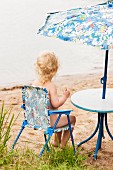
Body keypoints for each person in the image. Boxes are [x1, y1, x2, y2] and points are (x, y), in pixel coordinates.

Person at [32, 51, 76, 148]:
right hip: (49, 122)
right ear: (54, 69)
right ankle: (63, 145)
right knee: (72, 118)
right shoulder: (51, 86)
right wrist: (65, 96)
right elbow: (56, 104)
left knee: (59, 115)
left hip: (37, 119)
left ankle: (56, 142)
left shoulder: (34, 83)